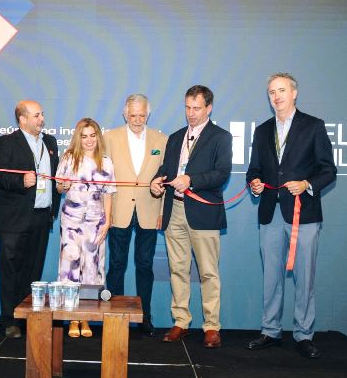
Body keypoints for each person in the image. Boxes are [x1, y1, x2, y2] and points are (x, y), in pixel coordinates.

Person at [246, 73, 336, 359]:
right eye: (272, 92)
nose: (277, 96)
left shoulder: (313, 126)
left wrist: (306, 183)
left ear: (294, 93)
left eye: (282, 90)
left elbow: (328, 170)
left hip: (303, 214)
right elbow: (254, 169)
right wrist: (254, 183)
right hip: (270, 213)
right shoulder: (262, 130)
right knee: (271, 278)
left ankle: (304, 334)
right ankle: (270, 330)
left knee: (304, 278)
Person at [151, 85, 232, 348]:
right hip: (174, 210)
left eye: (196, 108)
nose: (191, 113)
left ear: (209, 108)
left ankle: (212, 326)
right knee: (178, 269)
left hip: (203, 213)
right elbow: (166, 169)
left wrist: (191, 180)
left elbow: (222, 173)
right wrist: (156, 181)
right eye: (188, 107)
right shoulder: (176, 137)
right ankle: (181, 321)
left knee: (208, 272)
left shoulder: (221, 137)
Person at [0, 100, 60, 339]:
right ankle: (9, 319)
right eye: (36, 115)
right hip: (15, 219)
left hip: (42, 216)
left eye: (42, 114)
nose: (41, 119)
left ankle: (26, 317)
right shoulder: (7, 142)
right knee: (12, 270)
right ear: (22, 119)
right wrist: (20, 181)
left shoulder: (50, 142)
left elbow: (55, 176)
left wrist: (59, 191)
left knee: (33, 271)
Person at [104, 94, 167, 337]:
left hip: (149, 211)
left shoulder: (161, 140)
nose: (138, 120)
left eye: (142, 115)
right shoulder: (110, 137)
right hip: (118, 211)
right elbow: (104, 177)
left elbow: (165, 178)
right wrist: (106, 212)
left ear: (148, 114)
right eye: (133, 115)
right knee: (116, 265)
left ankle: (145, 318)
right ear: (125, 114)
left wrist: (161, 211)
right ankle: (115, 316)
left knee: (145, 266)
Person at [57, 118, 116, 338]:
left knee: (92, 268)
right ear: (78, 138)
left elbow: (108, 194)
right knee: (70, 265)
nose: (89, 140)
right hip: (71, 221)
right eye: (84, 136)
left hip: (96, 222)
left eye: (92, 135)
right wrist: (63, 185)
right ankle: (72, 317)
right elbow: (59, 187)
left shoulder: (106, 162)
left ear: (98, 137)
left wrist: (107, 221)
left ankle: (86, 317)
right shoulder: (68, 158)